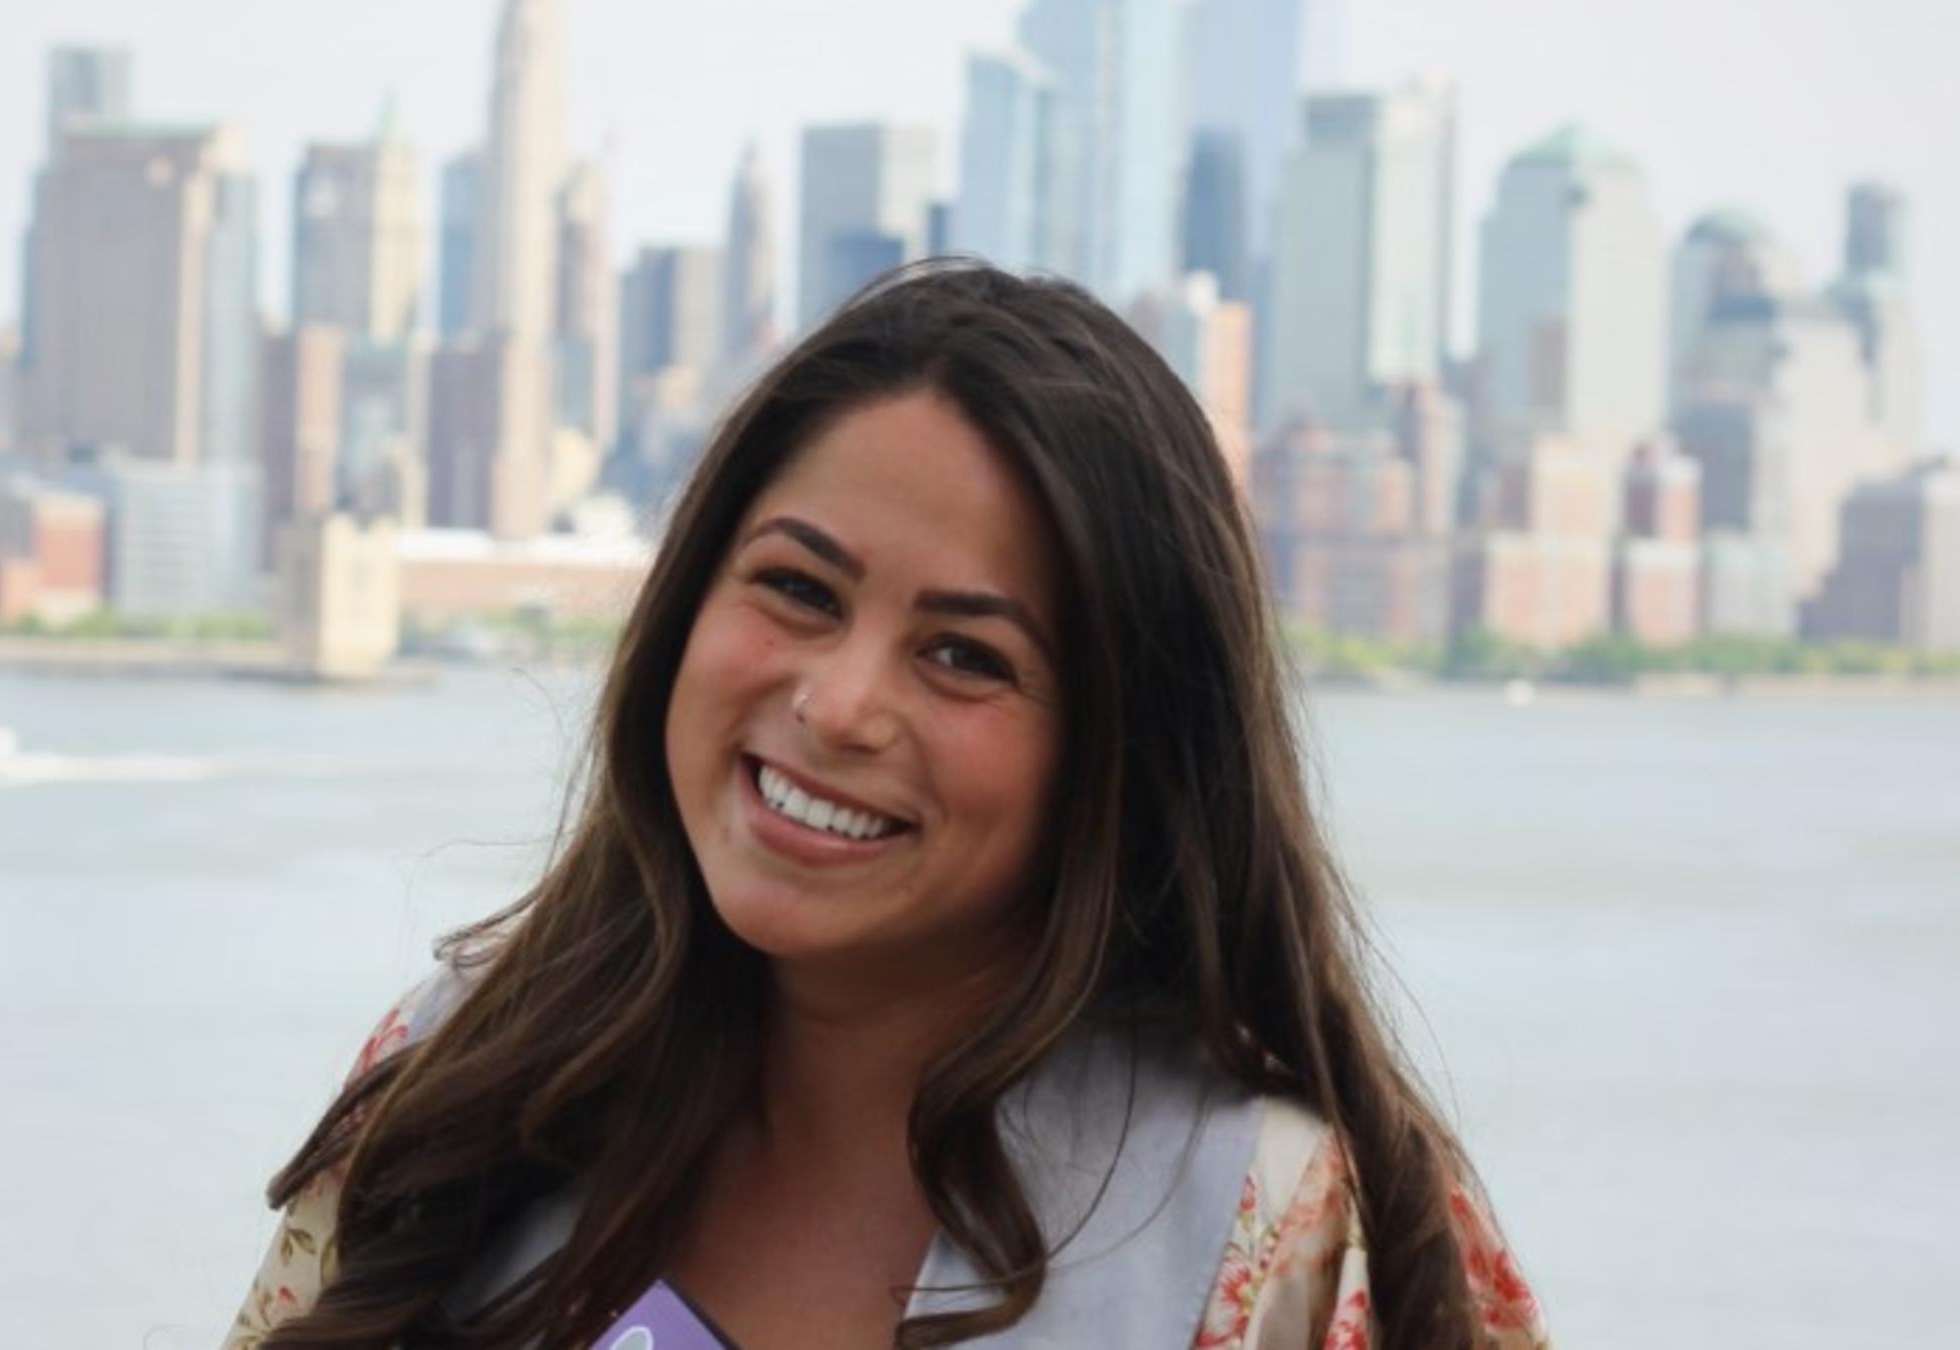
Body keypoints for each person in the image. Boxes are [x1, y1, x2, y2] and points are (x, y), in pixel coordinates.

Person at [224, 262, 1548, 1350]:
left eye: (966, 654)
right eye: (797, 587)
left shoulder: (1267, 1220)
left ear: (1122, 753)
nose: (840, 703)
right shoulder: (461, 1080)